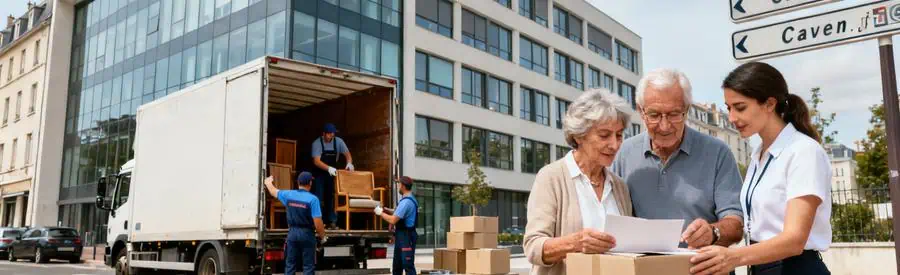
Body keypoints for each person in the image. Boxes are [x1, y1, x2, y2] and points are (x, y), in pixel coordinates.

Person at [689, 62, 832, 275]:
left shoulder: (803, 152)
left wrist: (733, 257)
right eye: (729, 108)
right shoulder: (759, 155)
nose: (732, 118)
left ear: (769, 104)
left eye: (740, 107)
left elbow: (794, 240)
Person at [611, 68, 744, 250]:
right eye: (654, 115)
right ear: (641, 112)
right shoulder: (622, 153)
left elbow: (736, 224)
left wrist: (713, 232)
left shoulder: (718, 153)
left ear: (687, 110)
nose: (664, 126)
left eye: (674, 114)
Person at [523, 89, 635, 275]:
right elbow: (533, 247)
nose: (614, 145)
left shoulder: (620, 186)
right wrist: (575, 243)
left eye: (619, 135)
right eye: (604, 135)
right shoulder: (551, 177)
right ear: (578, 136)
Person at [264, 171, 326, 275]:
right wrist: (323, 237)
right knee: (308, 266)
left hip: (292, 234)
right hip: (307, 234)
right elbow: (318, 223)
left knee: (290, 265)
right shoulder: (313, 199)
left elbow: (273, 191)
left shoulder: (289, 195)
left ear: (298, 182)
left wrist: (268, 182)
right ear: (310, 183)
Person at [311, 123, 354, 229]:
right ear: (323, 134)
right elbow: (316, 161)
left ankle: (332, 221)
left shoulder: (338, 141)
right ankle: (318, 222)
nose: (331, 135)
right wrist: (328, 168)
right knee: (319, 198)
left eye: (333, 133)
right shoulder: (317, 143)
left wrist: (349, 163)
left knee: (331, 197)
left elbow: (348, 155)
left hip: (332, 174)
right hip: (319, 174)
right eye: (329, 134)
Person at [374, 176, 419, 275]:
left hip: (406, 237)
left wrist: (380, 213)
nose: (398, 186)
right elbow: (398, 212)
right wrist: (386, 209)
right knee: (397, 266)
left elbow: (393, 219)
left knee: (408, 266)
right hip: (402, 237)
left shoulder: (406, 202)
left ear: (403, 186)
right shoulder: (409, 199)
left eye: (399, 184)